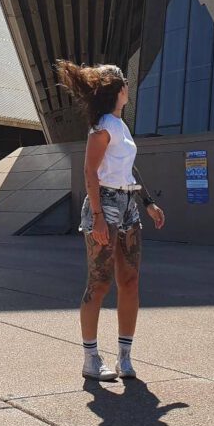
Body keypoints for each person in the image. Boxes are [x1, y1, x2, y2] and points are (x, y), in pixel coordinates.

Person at [56, 60, 165, 381]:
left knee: (130, 281)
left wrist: (148, 202)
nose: (129, 88)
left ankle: (125, 357)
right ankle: (91, 359)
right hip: (103, 203)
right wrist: (99, 218)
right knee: (99, 283)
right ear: (118, 89)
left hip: (128, 204)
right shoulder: (102, 126)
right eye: (126, 84)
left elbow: (128, 169)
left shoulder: (120, 126)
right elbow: (90, 171)